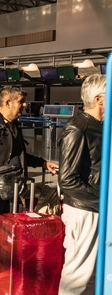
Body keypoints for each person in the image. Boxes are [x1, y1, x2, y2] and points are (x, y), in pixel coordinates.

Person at [0, 86, 58, 295]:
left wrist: (43, 164)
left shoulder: (15, 126)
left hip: (11, 191)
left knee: (4, 235)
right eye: (21, 101)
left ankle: (0, 272)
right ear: (7, 103)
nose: (25, 105)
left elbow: (22, 155)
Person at [58, 74, 105, 295]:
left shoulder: (98, 127)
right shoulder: (78, 128)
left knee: (94, 275)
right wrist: (103, 199)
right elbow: (67, 179)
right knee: (77, 277)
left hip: (94, 208)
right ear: (99, 99)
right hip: (84, 211)